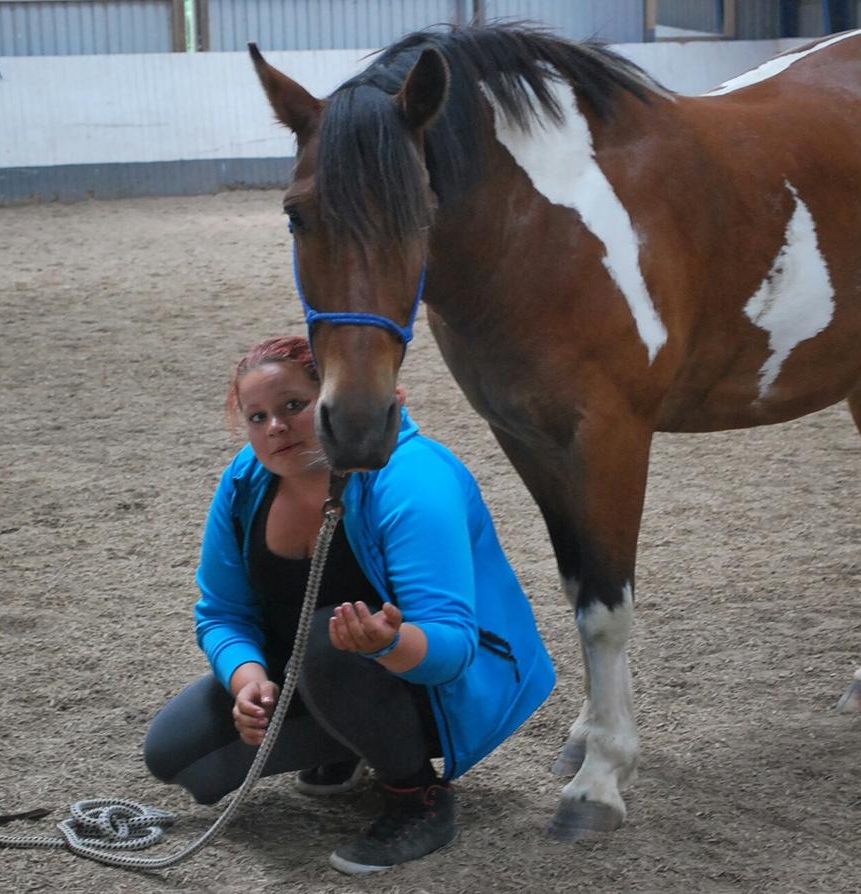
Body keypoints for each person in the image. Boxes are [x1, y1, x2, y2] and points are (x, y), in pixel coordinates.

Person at [144, 335, 555, 874]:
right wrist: (247, 682)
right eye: (257, 416)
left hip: (442, 684)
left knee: (327, 641)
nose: (275, 428)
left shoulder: (412, 476)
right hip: (314, 672)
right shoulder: (245, 480)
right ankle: (345, 742)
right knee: (176, 756)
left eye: (294, 405)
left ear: (337, 398)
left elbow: (454, 647)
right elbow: (222, 613)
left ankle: (418, 798)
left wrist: (387, 642)